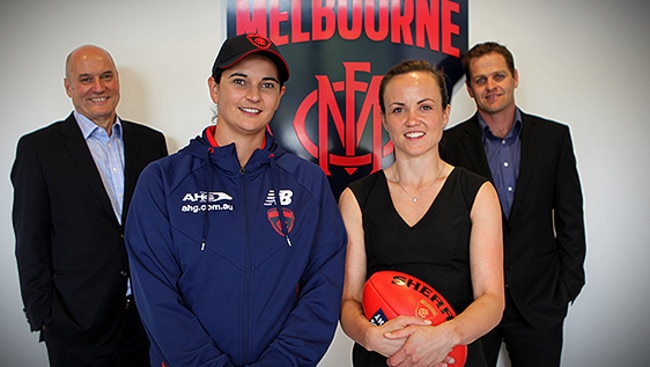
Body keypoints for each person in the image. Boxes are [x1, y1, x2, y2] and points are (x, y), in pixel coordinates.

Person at [124, 33, 347, 367]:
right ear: (215, 88)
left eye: (267, 85)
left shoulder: (308, 182)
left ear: (280, 95)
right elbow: (155, 296)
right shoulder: (162, 180)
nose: (254, 96)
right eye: (240, 81)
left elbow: (324, 287)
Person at [339, 59, 505, 367]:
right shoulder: (355, 198)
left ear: (445, 114)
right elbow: (349, 301)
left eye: (425, 107)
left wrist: (445, 337)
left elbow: (492, 301)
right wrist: (368, 336)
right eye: (399, 109)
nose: (412, 119)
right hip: (382, 358)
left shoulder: (477, 193)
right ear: (385, 119)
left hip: (455, 357)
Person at [11, 45, 168, 366]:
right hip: (75, 324)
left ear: (117, 81)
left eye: (106, 76)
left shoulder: (151, 142)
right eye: (86, 79)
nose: (98, 87)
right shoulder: (39, 149)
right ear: (69, 87)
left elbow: (162, 227)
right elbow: (30, 239)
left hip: (146, 320)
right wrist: (43, 314)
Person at [439, 42, 587, 367]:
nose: (491, 86)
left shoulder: (554, 137)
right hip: (471, 304)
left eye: (498, 76)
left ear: (515, 78)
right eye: (480, 80)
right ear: (470, 89)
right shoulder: (448, 145)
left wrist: (567, 285)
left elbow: (570, 218)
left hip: (540, 301)